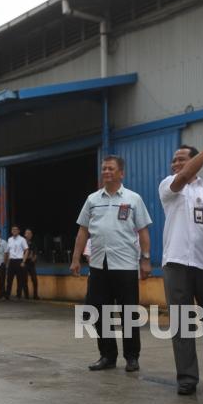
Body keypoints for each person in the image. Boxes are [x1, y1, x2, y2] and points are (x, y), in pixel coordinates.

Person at [160, 128, 203, 396]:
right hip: (176, 262)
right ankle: (187, 378)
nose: (177, 164)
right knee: (182, 324)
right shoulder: (168, 186)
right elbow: (184, 176)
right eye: (174, 160)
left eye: (181, 159)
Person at [71, 155, 151, 373]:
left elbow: (143, 231)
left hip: (125, 265)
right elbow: (83, 231)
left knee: (128, 314)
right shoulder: (92, 200)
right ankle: (107, 355)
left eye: (111, 168)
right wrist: (76, 258)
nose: (106, 171)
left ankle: (132, 357)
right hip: (99, 265)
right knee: (99, 311)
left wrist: (145, 259)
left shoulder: (133, 199)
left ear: (121, 173)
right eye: (104, 168)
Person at [5, 225, 28, 300]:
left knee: (19, 279)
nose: (14, 231)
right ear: (11, 231)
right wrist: (7, 263)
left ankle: (18, 295)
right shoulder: (9, 239)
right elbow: (8, 252)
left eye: (16, 229)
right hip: (11, 261)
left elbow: (26, 250)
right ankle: (7, 295)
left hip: (19, 261)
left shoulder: (22, 239)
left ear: (19, 231)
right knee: (9, 279)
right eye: (13, 230)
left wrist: (23, 261)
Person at [23, 228, 40, 300]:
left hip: (31, 263)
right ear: (24, 234)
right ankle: (26, 296)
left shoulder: (33, 244)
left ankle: (35, 295)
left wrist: (34, 258)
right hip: (24, 263)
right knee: (24, 280)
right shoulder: (21, 243)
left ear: (31, 235)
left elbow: (35, 253)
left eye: (30, 233)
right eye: (27, 233)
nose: (28, 235)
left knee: (35, 280)